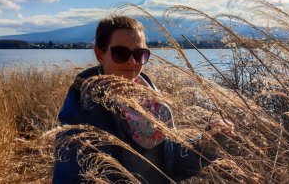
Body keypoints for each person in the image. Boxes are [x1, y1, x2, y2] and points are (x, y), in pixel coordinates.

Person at [52, 15, 235, 183]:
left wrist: (204, 144)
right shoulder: (82, 113)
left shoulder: (153, 103)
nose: (132, 62)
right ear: (100, 55)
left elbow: (169, 165)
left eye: (140, 54)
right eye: (120, 53)